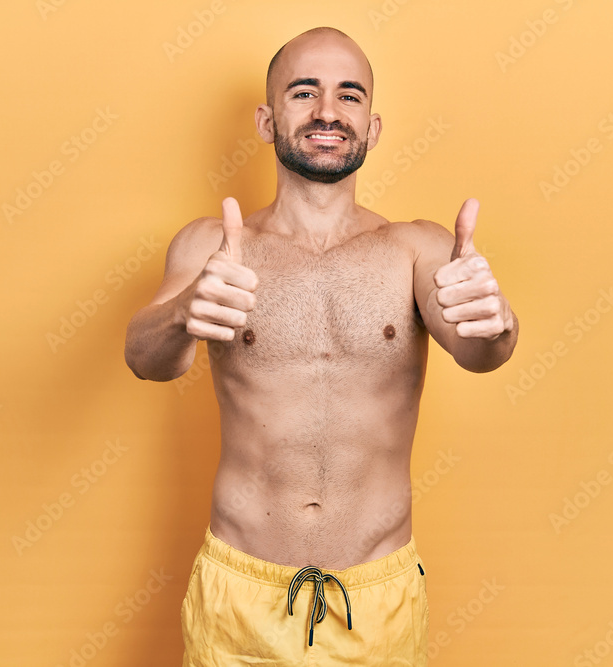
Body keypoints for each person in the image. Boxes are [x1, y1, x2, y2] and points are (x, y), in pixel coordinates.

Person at [124, 25, 518, 666]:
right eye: (304, 92)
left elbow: (481, 352)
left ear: (373, 127)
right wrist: (182, 313)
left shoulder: (415, 249)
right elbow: (146, 360)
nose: (328, 112)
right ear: (266, 119)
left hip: (376, 602)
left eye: (349, 95)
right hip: (240, 596)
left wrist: (495, 321)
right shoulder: (211, 247)